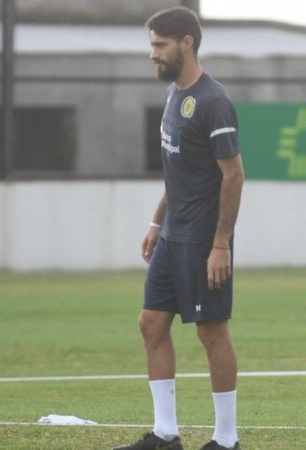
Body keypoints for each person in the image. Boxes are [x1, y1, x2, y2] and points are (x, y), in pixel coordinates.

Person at [114, 7, 245, 450]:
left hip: (202, 241)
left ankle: (226, 440)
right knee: (151, 323)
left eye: (159, 45)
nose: (153, 54)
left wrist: (221, 244)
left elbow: (233, 175)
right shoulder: (174, 95)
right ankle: (166, 435)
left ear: (186, 43)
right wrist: (156, 221)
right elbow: (179, 170)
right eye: (152, 45)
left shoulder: (212, 101)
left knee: (211, 333)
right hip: (172, 237)